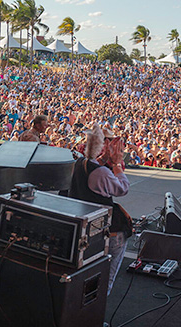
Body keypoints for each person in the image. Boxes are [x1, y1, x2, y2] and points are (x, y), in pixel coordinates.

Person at [68, 124, 131, 295]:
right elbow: (122, 189)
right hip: (104, 230)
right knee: (105, 278)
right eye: (108, 142)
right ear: (103, 145)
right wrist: (117, 164)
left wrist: (104, 158)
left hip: (85, 228)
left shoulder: (80, 162)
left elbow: (94, 162)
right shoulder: (102, 172)